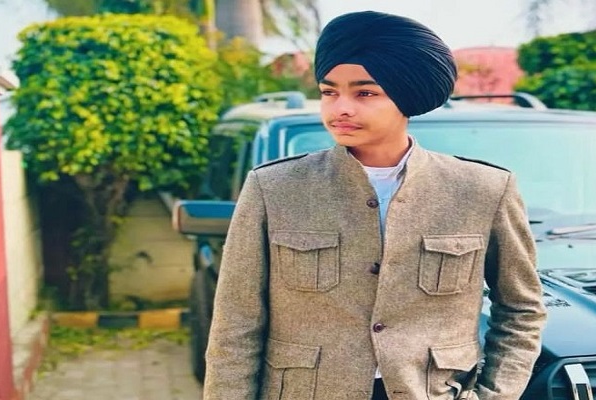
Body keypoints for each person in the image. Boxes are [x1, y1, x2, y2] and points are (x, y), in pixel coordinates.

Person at [203, 10, 547, 400]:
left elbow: (521, 310)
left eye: (364, 93)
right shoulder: (274, 187)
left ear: (406, 99)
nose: (341, 108)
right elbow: (236, 325)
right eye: (329, 92)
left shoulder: (483, 189)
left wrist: (495, 395)